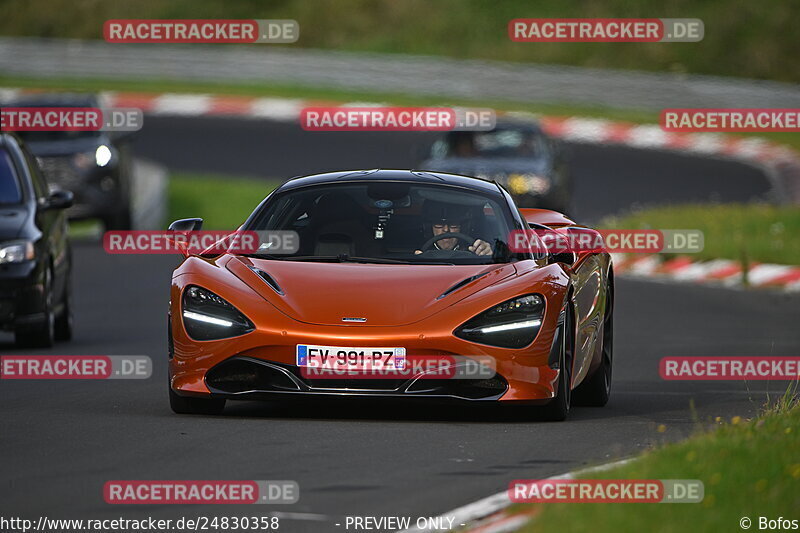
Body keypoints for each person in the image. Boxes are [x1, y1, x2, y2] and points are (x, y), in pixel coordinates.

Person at [415, 200, 493, 256]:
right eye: (439, 224)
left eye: (453, 224)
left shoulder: (473, 249)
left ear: (462, 227)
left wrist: (487, 254)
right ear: (430, 227)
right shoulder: (414, 249)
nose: (446, 229)